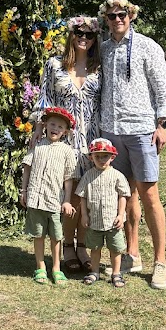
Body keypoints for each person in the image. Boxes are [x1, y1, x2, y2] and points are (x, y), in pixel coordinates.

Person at [99, 0, 166, 291]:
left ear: (131, 16)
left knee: (149, 195)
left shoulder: (147, 46)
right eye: (112, 16)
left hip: (142, 130)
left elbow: (162, 85)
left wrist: (162, 124)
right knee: (125, 194)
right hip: (112, 131)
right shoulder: (103, 49)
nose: (118, 19)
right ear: (106, 20)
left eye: (123, 14)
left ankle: (161, 263)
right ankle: (132, 254)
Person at [34, 15, 101, 273]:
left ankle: (82, 246)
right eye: (79, 33)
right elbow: (45, 98)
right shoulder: (54, 65)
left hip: (92, 138)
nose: (84, 38)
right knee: (69, 193)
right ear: (71, 35)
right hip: (64, 139)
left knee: (88, 194)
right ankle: (67, 247)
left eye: (89, 35)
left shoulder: (98, 68)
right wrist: (38, 128)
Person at [20, 106, 78, 285]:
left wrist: (67, 201)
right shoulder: (37, 145)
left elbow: (68, 178)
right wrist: (24, 191)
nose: (55, 129)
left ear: (65, 131)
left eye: (60, 127)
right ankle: (40, 267)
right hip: (36, 199)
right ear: (45, 125)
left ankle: (56, 268)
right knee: (38, 235)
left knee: (56, 236)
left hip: (54, 201)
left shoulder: (67, 151)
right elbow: (27, 169)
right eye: (52, 124)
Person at [76, 138, 131, 288]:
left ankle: (116, 273)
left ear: (112, 157)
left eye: (105, 156)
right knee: (95, 248)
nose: (101, 160)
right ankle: (94, 271)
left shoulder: (117, 175)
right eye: (97, 156)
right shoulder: (88, 176)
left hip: (113, 221)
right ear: (91, 157)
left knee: (115, 249)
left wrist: (121, 215)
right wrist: (84, 215)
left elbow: (123, 196)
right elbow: (82, 196)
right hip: (95, 221)